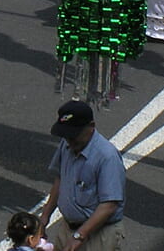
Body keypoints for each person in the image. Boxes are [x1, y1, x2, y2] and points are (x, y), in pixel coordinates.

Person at [38, 100, 125, 251]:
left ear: (91, 126)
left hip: (98, 235)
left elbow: (109, 205)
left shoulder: (107, 157)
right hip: (69, 228)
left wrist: (79, 236)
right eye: (66, 135)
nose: (70, 140)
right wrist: (45, 216)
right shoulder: (67, 145)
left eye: (74, 134)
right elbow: (60, 179)